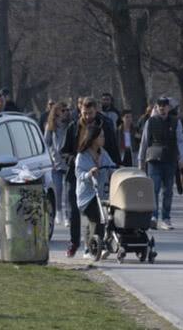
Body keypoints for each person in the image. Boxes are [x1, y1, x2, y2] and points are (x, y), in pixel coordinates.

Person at [61, 97, 120, 258]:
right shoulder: (74, 127)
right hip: (78, 172)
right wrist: (73, 159)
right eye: (85, 113)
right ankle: (74, 243)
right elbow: (64, 151)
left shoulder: (104, 125)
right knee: (76, 211)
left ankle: (96, 244)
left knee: (99, 212)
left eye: (91, 113)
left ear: (96, 110)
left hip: (100, 172)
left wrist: (116, 168)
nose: (88, 116)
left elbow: (112, 149)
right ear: (80, 111)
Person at [138, 97, 183, 230]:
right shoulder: (151, 122)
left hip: (170, 160)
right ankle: (153, 216)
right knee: (154, 189)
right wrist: (140, 160)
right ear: (157, 107)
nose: (162, 108)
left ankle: (166, 218)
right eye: (160, 106)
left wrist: (182, 157)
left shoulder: (176, 122)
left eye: (164, 106)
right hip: (154, 160)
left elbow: (181, 140)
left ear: (168, 107)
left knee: (168, 191)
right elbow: (144, 141)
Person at [75, 124, 116, 260]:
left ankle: (94, 247)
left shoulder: (103, 153)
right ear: (93, 139)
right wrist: (89, 174)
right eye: (101, 136)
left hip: (101, 194)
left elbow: (111, 167)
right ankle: (94, 248)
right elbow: (79, 175)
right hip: (86, 196)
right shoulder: (82, 156)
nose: (104, 139)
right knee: (97, 218)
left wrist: (117, 170)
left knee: (102, 219)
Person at [44, 102, 71, 227]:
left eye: (67, 110)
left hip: (68, 162)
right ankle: (58, 212)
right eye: (62, 110)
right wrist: (51, 158)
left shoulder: (70, 125)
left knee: (68, 191)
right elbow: (47, 143)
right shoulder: (51, 126)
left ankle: (67, 216)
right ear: (56, 112)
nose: (65, 112)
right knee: (58, 190)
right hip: (55, 163)